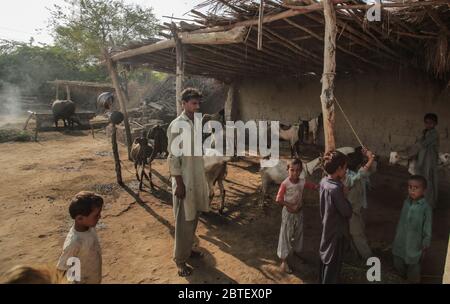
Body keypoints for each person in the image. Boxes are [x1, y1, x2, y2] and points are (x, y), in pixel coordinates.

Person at [167, 88, 210, 277]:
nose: (197, 106)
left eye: (198, 103)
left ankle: (190, 249)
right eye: (193, 103)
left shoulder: (196, 122)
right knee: (184, 221)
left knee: (193, 218)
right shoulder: (177, 125)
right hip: (184, 180)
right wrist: (180, 183)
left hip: (196, 178)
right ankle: (180, 260)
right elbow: (173, 157)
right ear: (183, 103)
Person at [275, 159, 318, 273]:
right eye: (292, 170)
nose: (295, 173)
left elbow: (312, 186)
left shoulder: (302, 181)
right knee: (286, 236)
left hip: (299, 213)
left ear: (301, 171)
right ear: (287, 170)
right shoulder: (285, 184)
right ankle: (284, 261)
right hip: (288, 214)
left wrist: (320, 186)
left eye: (298, 170)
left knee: (298, 233)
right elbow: (278, 199)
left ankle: (296, 251)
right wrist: (289, 205)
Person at [319, 150, 352, 284]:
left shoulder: (323, 181)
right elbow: (346, 212)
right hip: (337, 232)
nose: (346, 171)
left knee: (325, 256)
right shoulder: (336, 189)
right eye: (345, 168)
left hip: (327, 226)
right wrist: (345, 195)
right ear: (338, 169)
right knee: (333, 261)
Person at [56, 191, 103, 284]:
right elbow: (61, 269)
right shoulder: (74, 243)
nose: (100, 216)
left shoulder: (89, 228)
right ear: (80, 219)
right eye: (96, 215)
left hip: (93, 278)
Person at [392, 175, 432, 283]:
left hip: (414, 246)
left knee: (413, 269)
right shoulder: (406, 202)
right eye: (410, 187)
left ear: (424, 190)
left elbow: (427, 230)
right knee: (398, 263)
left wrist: (425, 246)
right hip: (400, 242)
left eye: (416, 188)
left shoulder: (426, 208)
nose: (412, 190)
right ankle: (401, 277)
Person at [344, 147, 376, 260]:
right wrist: (370, 160)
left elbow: (372, 170)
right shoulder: (346, 175)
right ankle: (369, 258)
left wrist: (370, 158)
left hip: (360, 208)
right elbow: (358, 176)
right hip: (351, 211)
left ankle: (355, 254)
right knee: (357, 234)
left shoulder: (358, 170)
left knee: (358, 231)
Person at [415, 113, 439, 209]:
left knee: (429, 179)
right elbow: (420, 143)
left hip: (430, 159)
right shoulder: (425, 132)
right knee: (422, 179)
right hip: (423, 158)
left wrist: (409, 151)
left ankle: (430, 204)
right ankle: (422, 200)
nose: (429, 125)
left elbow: (423, 144)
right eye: (426, 123)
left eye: (431, 123)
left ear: (435, 123)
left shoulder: (434, 134)